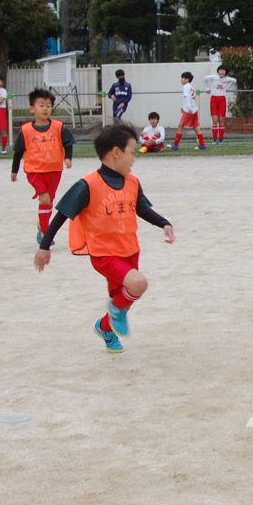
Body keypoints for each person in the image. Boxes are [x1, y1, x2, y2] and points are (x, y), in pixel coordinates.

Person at [33, 121, 175, 354]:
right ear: (116, 153)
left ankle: (105, 328)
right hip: (105, 253)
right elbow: (62, 214)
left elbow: (141, 209)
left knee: (121, 299)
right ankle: (111, 319)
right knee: (138, 283)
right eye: (132, 152)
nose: (134, 158)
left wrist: (164, 223)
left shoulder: (132, 182)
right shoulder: (87, 184)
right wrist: (44, 246)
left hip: (130, 250)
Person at [11, 88, 75, 238]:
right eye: (41, 105)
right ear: (32, 109)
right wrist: (14, 171)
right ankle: (47, 234)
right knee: (44, 198)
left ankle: (42, 225)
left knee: (49, 201)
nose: (45, 108)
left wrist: (68, 158)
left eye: (48, 105)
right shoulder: (26, 130)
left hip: (54, 170)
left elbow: (68, 143)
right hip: (35, 171)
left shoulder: (58, 127)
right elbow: (18, 152)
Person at [170, 70, 206, 151]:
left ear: (187, 79)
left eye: (183, 78)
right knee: (196, 127)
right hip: (194, 109)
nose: (181, 80)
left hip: (189, 110)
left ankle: (175, 145)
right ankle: (202, 144)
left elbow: (187, 98)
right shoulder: (191, 86)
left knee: (180, 126)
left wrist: (188, 108)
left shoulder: (185, 86)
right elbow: (191, 98)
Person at [203, 64, 237, 144]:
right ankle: (215, 140)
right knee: (215, 120)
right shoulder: (214, 77)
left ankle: (221, 140)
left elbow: (234, 81)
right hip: (214, 99)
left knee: (221, 120)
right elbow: (205, 79)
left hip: (222, 100)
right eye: (220, 70)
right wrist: (207, 88)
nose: (221, 72)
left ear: (226, 72)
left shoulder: (227, 79)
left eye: (223, 70)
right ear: (218, 71)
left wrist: (227, 87)